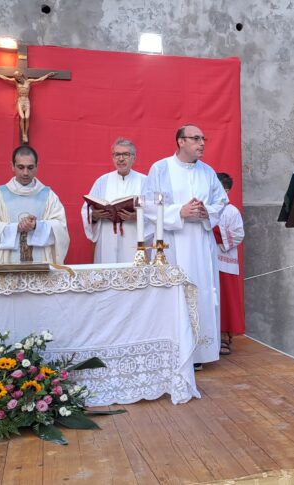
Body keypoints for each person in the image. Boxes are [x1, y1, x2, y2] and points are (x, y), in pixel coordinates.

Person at [141, 124, 228, 369]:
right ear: (181, 141)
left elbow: (221, 201)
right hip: (173, 242)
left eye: (203, 139)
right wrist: (179, 211)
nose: (202, 143)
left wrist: (204, 211)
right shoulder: (160, 168)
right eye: (196, 138)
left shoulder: (208, 172)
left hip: (200, 242)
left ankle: (199, 353)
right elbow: (148, 204)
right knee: (175, 292)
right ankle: (175, 350)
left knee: (201, 291)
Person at [0, 145, 69, 266]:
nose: (25, 173)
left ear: (37, 167)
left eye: (30, 167)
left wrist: (37, 226)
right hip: (6, 264)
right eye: (20, 167)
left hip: (41, 263)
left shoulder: (48, 196)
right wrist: (16, 228)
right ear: (12, 166)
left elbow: (60, 228)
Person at [81, 138, 148, 263]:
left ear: (134, 158)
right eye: (117, 154)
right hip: (107, 241)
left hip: (133, 241)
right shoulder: (102, 181)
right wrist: (94, 216)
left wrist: (137, 216)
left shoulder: (145, 182)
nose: (121, 159)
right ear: (113, 158)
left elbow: (155, 213)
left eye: (126, 154)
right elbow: (86, 210)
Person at [214, 172, 245, 355]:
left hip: (224, 262)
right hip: (207, 260)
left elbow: (239, 234)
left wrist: (215, 232)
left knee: (225, 299)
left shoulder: (231, 211)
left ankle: (225, 335)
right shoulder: (207, 208)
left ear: (225, 190)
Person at [0, 68, 56, 143]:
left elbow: (39, 80)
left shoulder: (28, 81)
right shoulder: (16, 82)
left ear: (20, 74)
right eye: (15, 77)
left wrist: (47, 75)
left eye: (17, 75)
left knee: (27, 117)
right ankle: (24, 134)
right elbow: (5, 78)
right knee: (22, 117)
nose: (16, 77)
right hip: (20, 101)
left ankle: (25, 133)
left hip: (26, 101)